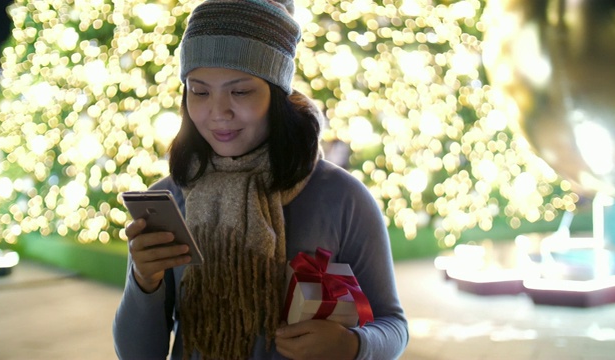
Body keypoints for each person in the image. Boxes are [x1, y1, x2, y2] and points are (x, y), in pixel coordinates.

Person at [112, 0, 409, 359]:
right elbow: (138, 354)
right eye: (199, 91)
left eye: (240, 91)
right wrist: (144, 283)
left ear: (277, 93)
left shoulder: (341, 197)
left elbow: (394, 326)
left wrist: (354, 346)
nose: (218, 113)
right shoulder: (170, 200)